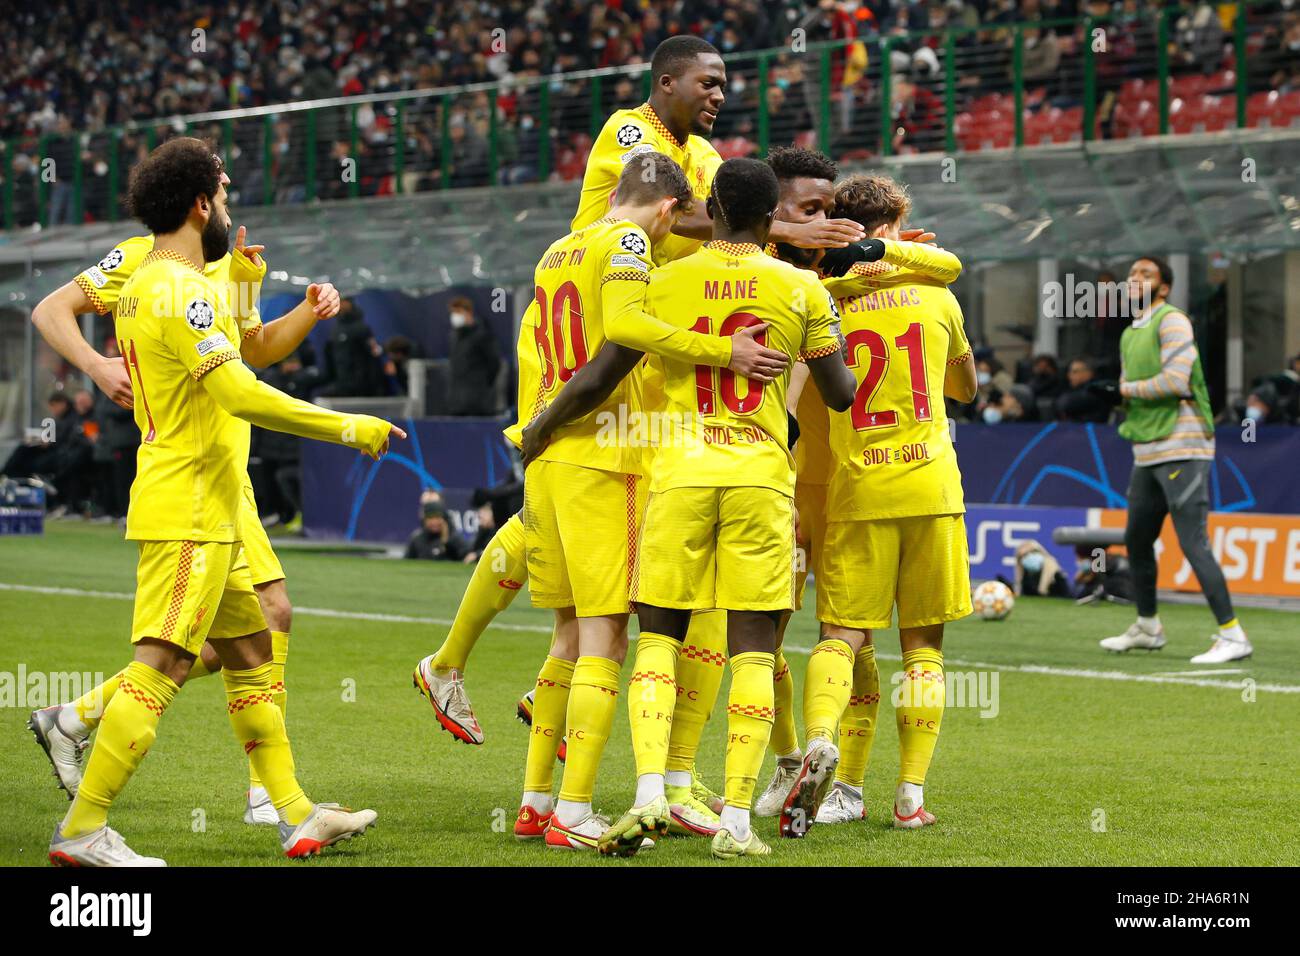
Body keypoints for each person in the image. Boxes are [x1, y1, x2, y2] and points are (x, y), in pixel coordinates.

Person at [407, 35, 801, 762]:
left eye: (725, 85)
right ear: (665, 83)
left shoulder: (703, 154)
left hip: (625, 315)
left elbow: (725, 208)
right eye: (706, 84)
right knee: (563, 501)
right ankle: (464, 668)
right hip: (597, 317)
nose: (719, 96)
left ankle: (536, 688)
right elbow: (689, 216)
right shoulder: (631, 131)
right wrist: (802, 231)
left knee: (588, 516)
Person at [37, 136, 403, 866]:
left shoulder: (160, 280)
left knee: (250, 648)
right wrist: (346, 425)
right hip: (191, 504)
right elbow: (237, 387)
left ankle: (294, 813)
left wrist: (266, 296)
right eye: (224, 192)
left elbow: (248, 350)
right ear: (201, 202)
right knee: (163, 664)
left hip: (210, 500)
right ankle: (83, 828)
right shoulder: (175, 284)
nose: (229, 204)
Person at [526, 158, 854, 860]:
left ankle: (650, 792)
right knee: (754, 650)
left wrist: (540, 425)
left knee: (657, 642)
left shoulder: (660, 283)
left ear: (710, 206)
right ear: (774, 221)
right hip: (760, 480)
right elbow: (842, 393)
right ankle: (736, 820)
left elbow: (599, 375)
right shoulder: (798, 286)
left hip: (676, 478)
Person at [775, 173, 976, 837]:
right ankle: (910, 795)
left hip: (858, 490)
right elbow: (967, 389)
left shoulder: (822, 299)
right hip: (931, 488)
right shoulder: (938, 295)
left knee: (841, 637)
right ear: (899, 221)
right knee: (923, 650)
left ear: (841, 222)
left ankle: (826, 749)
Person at [1100, 256, 1252, 664]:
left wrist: (1122, 390)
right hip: (1148, 447)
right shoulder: (1131, 332)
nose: (1135, 279)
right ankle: (1148, 627)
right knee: (1136, 539)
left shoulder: (1173, 321)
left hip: (1183, 444)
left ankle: (1233, 635)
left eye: (1145, 275)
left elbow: (1175, 381)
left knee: (1192, 541)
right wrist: (1122, 391)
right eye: (1132, 274)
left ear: (1163, 288)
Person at [446, 297, 502, 416]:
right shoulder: (454, 337)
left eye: (458, 312)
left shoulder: (482, 336)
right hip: (456, 405)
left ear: (469, 312)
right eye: (453, 313)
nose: (455, 316)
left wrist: (481, 385)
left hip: (479, 405)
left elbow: (494, 364)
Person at [1055, 356, 1115, 423]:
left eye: (1075, 372)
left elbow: (1064, 404)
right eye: (1070, 371)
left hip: (1093, 431)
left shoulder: (1097, 389)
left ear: (1089, 373)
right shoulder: (1074, 388)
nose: (1069, 375)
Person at [405, 500, 470, 561]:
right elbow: (406, 562)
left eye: (437, 517)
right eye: (430, 518)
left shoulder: (454, 538)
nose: (434, 521)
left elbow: (468, 558)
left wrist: (446, 543)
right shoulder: (417, 539)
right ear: (424, 520)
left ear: (444, 519)